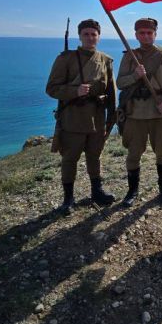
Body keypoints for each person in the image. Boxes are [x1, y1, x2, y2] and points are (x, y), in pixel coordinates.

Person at [46, 19, 116, 214]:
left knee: (95, 156)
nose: (90, 37)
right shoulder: (65, 59)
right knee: (70, 158)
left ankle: (97, 192)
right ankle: (68, 199)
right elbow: (51, 89)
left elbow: (111, 92)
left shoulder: (105, 60)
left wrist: (112, 118)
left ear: (99, 36)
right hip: (73, 118)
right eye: (86, 34)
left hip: (97, 118)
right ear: (80, 36)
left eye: (94, 34)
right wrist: (74, 91)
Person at [116, 18, 162, 207]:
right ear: (136, 35)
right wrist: (135, 76)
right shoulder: (130, 56)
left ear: (155, 34)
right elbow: (120, 83)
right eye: (142, 33)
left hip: (160, 113)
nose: (145, 36)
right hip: (135, 113)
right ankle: (132, 191)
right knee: (133, 154)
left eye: (149, 33)